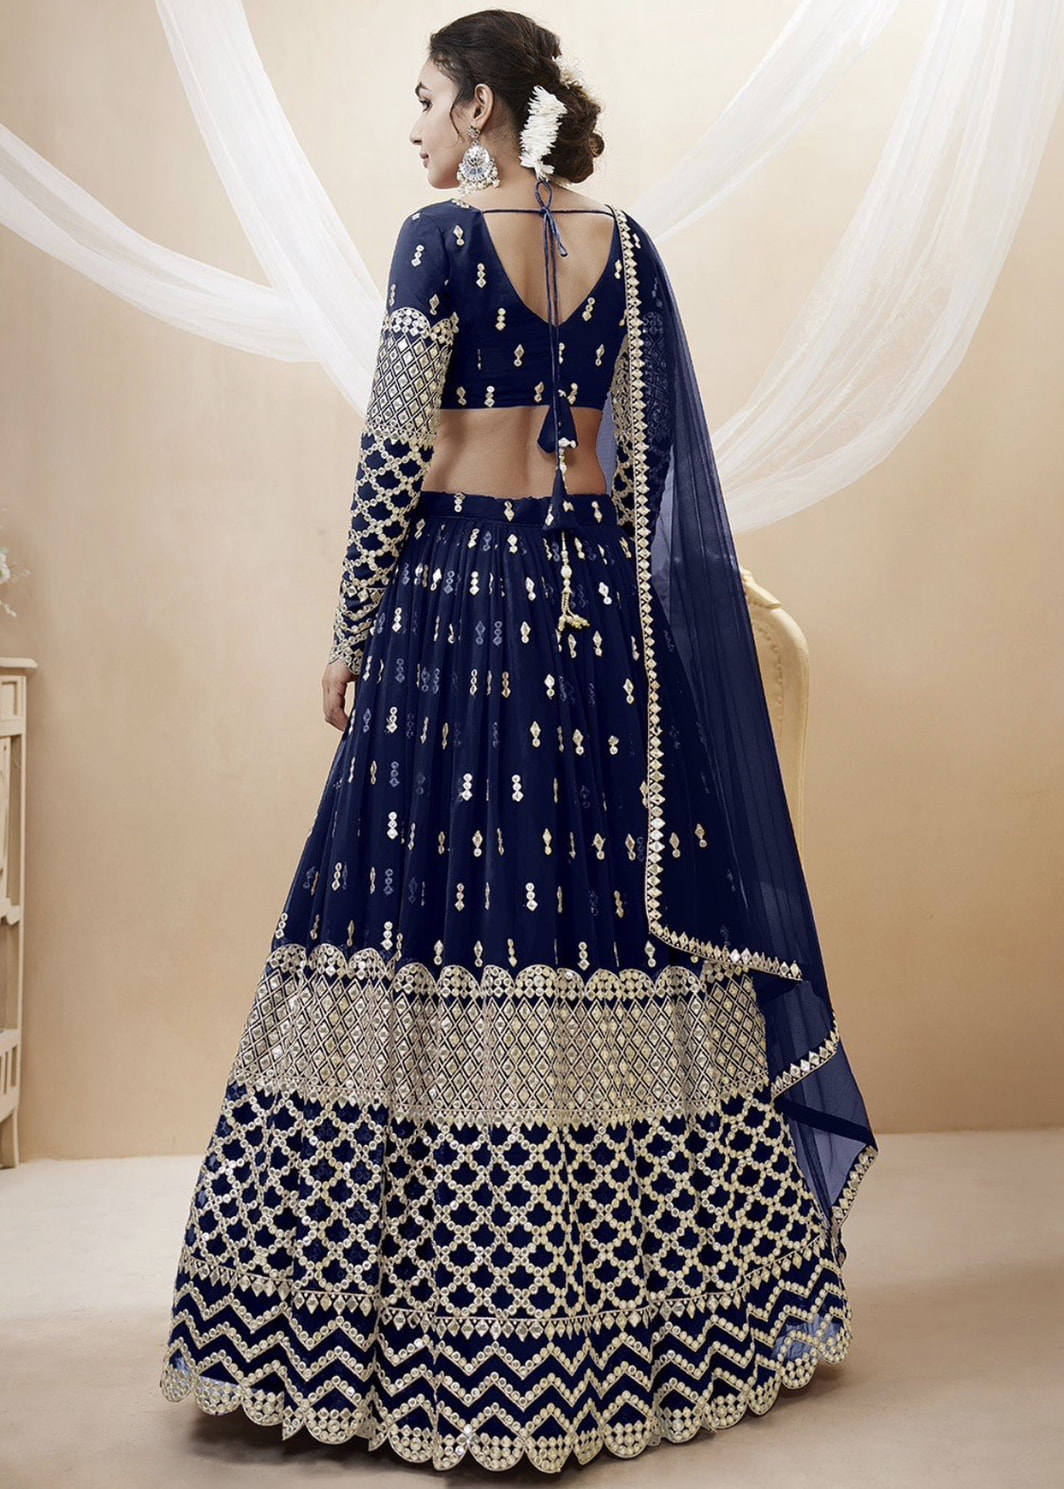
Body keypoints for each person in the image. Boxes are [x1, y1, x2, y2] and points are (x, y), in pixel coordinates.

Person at [159, 10, 877, 1474]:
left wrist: (351, 628)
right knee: (592, 916)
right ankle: (659, 1315)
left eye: (427, 98)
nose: (415, 126)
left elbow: (394, 451)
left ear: (484, 109)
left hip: (460, 602)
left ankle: (407, 1320)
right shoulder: (631, 245)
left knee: (429, 908)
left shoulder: (437, 242)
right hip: (596, 610)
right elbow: (647, 464)